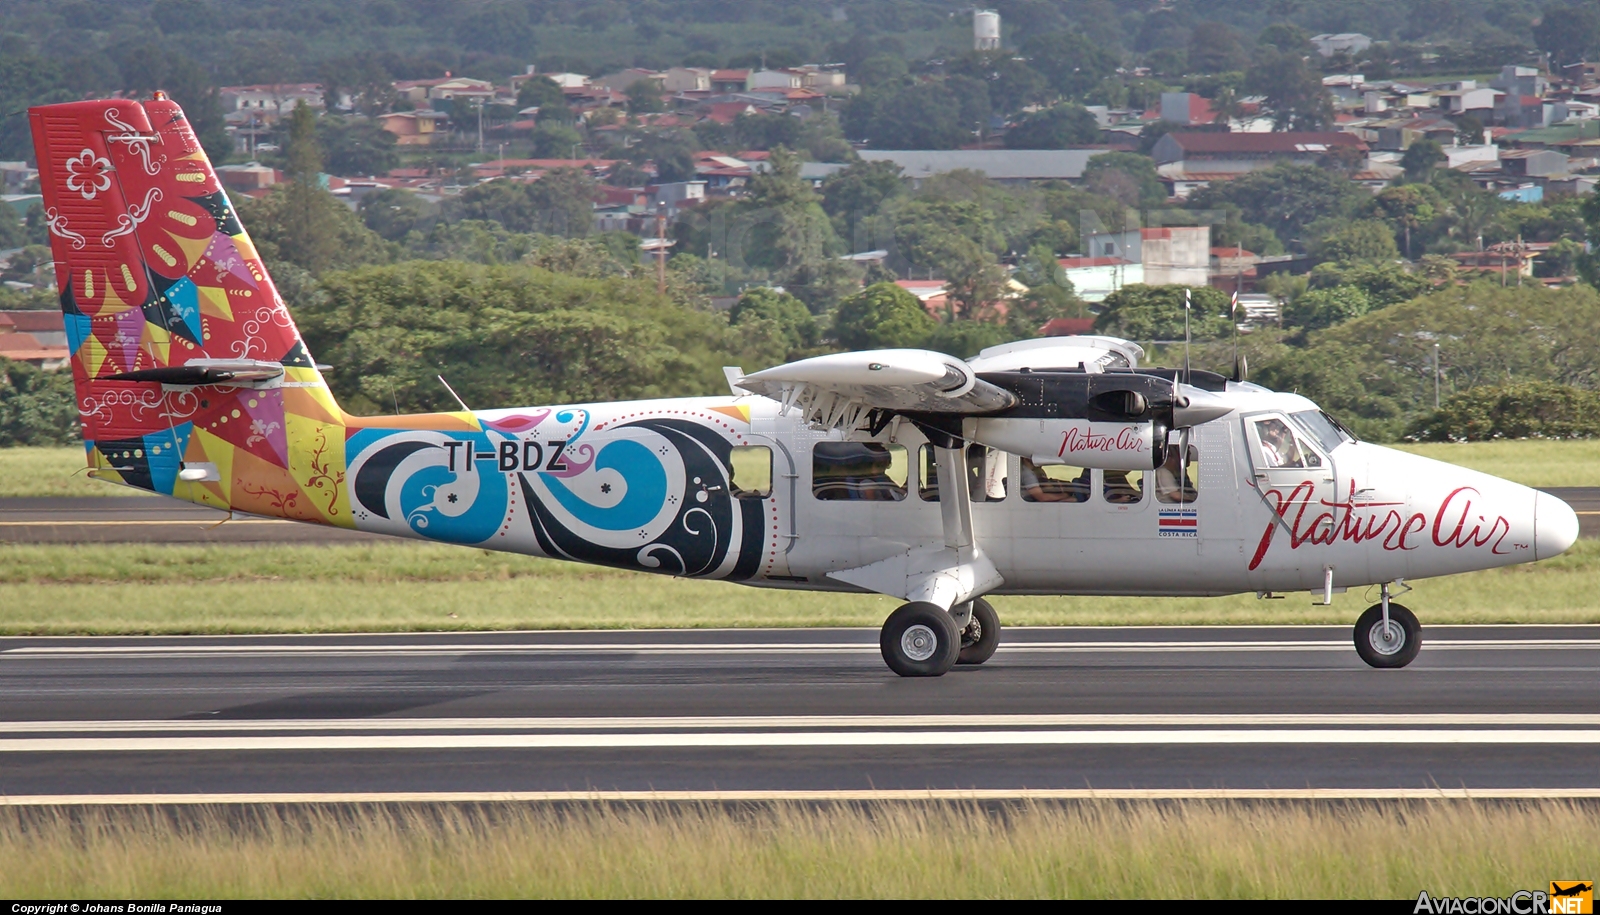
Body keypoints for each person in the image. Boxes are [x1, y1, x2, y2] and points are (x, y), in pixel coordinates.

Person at [1020, 458, 1089, 503]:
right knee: (1075, 500)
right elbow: (1041, 497)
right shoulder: (1027, 474)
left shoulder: (1037, 471)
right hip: (1035, 504)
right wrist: (1064, 495)